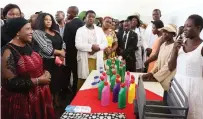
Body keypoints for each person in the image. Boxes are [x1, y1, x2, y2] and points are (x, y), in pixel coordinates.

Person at [1, 17, 56, 119]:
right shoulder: (7, 51)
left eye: (31, 29)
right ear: (17, 32)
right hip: (21, 103)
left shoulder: (28, 45)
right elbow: (9, 83)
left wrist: (46, 72)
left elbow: (35, 67)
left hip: (39, 97)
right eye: (28, 29)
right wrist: (38, 81)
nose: (31, 32)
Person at [168, 14, 203, 119]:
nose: (185, 29)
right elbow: (171, 67)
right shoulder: (180, 44)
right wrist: (175, 50)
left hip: (194, 89)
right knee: (176, 114)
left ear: (198, 28)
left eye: (188, 26)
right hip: (178, 86)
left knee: (191, 114)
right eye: (184, 26)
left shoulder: (201, 47)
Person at [32, 13, 66, 108]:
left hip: (58, 62)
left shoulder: (56, 32)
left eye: (50, 20)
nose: (48, 21)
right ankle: (49, 104)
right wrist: (60, 52)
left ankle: (56, 101)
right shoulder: (37, 32)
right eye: (46, 19)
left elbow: (63, 43)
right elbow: (46, 49)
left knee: (58, 81)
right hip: (47, 62)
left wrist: (63, 51)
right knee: (49, 83)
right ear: (41, 21)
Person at [142, 24, 177, 104]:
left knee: (165, 102)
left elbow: (168, 67)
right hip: (159, 79)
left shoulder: (175, 47)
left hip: (167, 81)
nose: (164, 33)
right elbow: (158, 62)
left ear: (173, 34)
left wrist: (155, 77)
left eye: (167, 32)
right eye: (163, 31)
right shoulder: (163, 45)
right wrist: (151, 73)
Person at [75, 10, 108, 89]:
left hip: (97, 59)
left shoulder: (99, 30)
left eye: (93, 17)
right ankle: (82, 100)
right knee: (84, 81)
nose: (91, 18)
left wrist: (97, 48)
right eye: (89, 16)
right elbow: (78, 45)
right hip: (85, 59)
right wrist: (91, 47)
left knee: (96, 80)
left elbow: (105, 43)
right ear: (85, 18)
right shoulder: (80, 30)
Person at [63, 6, 84, 95]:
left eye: (68, 13)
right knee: (77, 74)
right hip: (81, 54)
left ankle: (66, 93)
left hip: (71, 54)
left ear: (72, 13)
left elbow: (65, 39)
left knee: (67, 74)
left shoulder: (69, 24)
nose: (67, 14)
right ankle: (76, 92)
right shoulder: (83, 24)